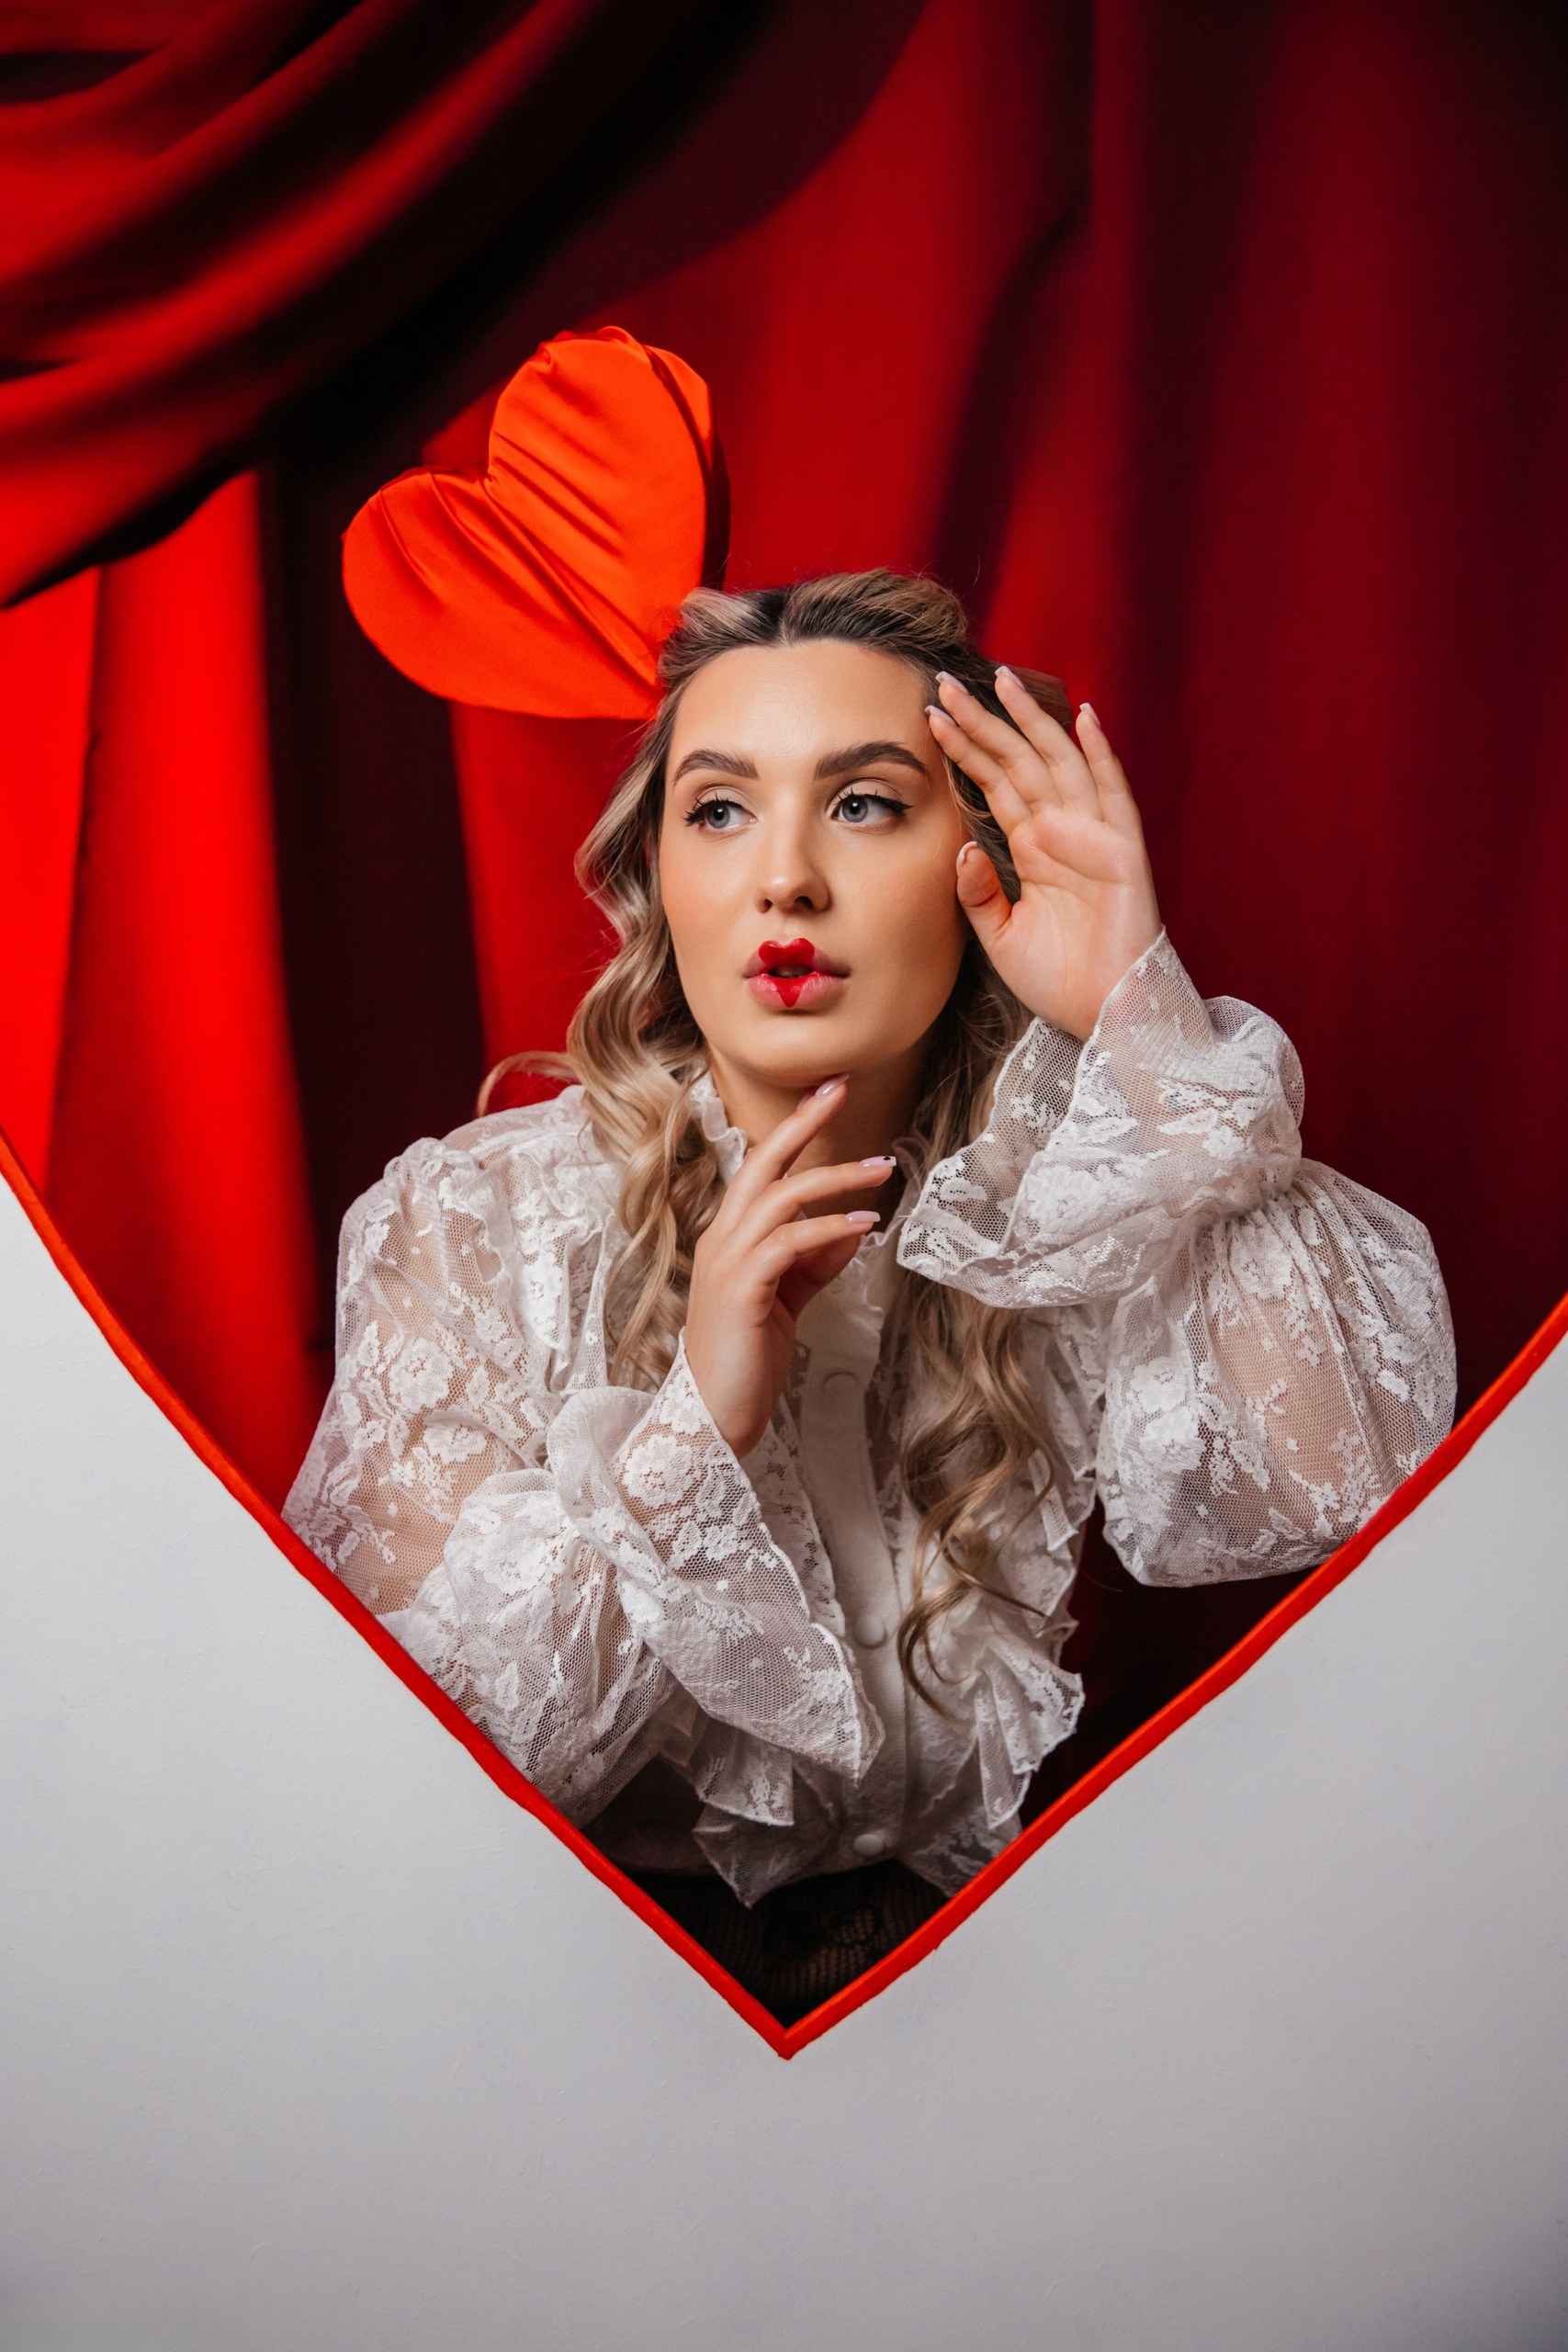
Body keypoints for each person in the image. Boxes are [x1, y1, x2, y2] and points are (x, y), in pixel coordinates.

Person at [284, 559, 1454, 2017]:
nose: (785, 877)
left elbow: (1344, 1483)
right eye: (720, 809)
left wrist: (1137, 1021)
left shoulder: (1067, 1192)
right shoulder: (473, 1217)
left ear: (984, 862)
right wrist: (696, 1427)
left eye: (865, 803)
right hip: (573, 2001)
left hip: (971, 1988)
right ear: (659, 871)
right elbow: (407, 1780)